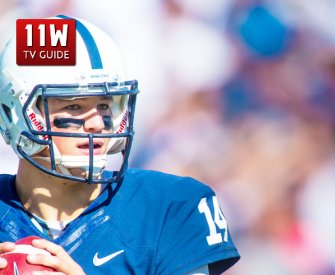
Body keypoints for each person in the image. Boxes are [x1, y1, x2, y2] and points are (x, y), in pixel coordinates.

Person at [0, 15, 240, 274]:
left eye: (104, 105)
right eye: (73, 106)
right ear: (14, 114)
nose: (96, 124)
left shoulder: (169, 206)